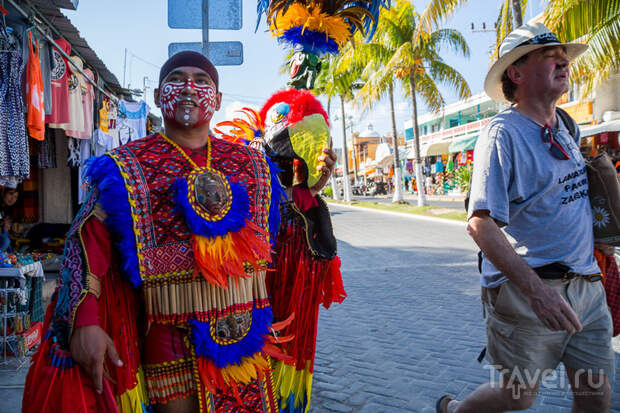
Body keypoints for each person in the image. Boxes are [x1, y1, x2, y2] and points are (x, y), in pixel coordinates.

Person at [23, 51, 337, 413]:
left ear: (217, 100)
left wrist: (307, 193)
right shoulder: (123, 168)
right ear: (158, 96)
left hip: (249, 341)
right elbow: (85, 249)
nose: (189, 88)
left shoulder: (253, 165)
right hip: (168, 341)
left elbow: (281, 244)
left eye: (201, 82)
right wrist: (86, 321)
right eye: (177, 78)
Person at [436, 22, 615, 413]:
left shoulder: (566, 124)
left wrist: (600, 244)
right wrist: (538, 293)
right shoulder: (502, 134)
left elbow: (570, 198)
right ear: (515, 73)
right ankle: (454, 410)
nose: (563, 61)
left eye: (562, 55)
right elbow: (479, 224)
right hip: (531, 293)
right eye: (549, 55)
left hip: (587, 286)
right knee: (517, 395)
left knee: (596, 396)